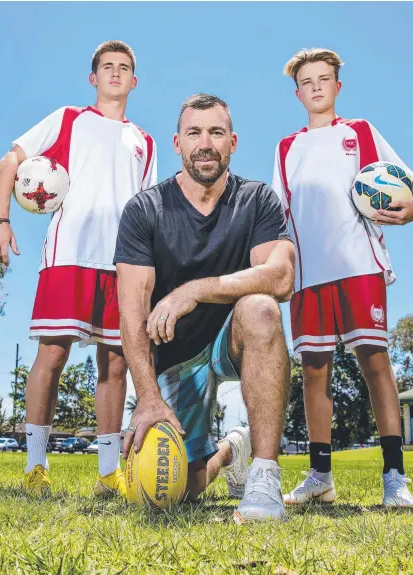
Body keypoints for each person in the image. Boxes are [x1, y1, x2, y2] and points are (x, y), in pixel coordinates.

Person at [0, 40, 157, 496]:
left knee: (116, 365)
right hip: (69, 257)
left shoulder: (146, 142)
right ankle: (36, 466)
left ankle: (107, 472)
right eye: (107, 67)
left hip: (123, 265)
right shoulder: (68, 119)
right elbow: (9, 161)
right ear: (93, 78)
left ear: (134, 82)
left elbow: (149, 210)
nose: (115, 74)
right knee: (53, 356)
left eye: (124, 68)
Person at [114, 93, 295, 521]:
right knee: (180, 489)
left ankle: (265, 477)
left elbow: (281, 277)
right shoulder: (145, 210)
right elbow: (132, 311)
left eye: (216, 132)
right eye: (194, 132)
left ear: (232, 141)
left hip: (230, 339)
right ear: (177, 143)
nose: (205, 142)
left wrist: (195, 289)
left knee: (261, 309)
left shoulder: (258, 200)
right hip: (176, 353)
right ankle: (232, 449)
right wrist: (148, 400)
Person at [272, 48, 413, 507]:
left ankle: (394, 476)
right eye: (307, 81)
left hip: (359, 264)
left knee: (375, 361)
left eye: (324, 79)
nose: (316, 86)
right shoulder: (286, 147)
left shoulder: (359, 133)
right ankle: (320, 475)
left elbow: (412, 187)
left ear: (338, 86)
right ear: (297, 93)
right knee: (314, 371)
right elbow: (278, 213)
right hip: (308, 274)